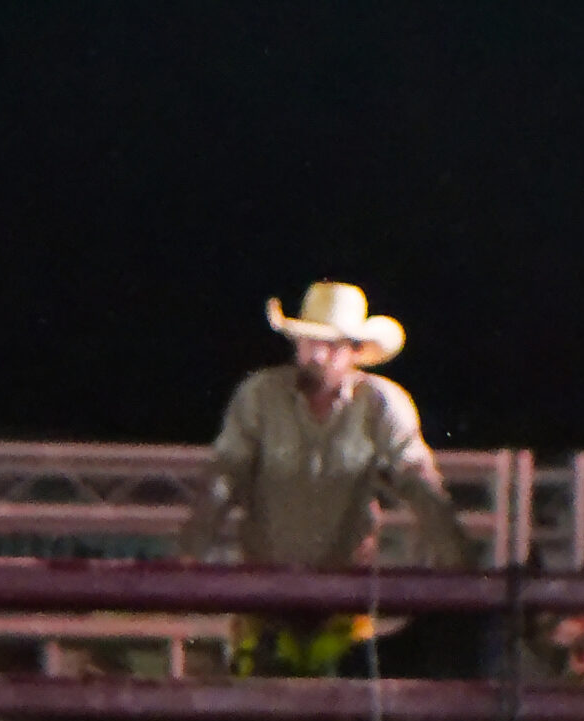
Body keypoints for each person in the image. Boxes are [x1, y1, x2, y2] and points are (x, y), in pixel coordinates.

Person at [180, 281, 473, 675]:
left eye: (329, 346)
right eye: (307, 342)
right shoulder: (260, 396)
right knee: (268, 716)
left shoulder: (379, 404)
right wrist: (189, 553)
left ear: (354, 352)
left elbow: (419, 482)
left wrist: (459, 564)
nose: (315, 354)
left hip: (342, 602)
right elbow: (223, 478)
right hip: (266, 600)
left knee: (337, 710)